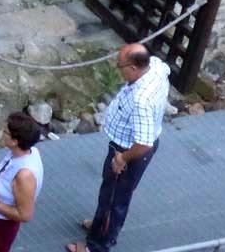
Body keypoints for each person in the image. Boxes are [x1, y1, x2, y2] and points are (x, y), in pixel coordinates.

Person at [67, 43, 170, 252]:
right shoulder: (157, 66)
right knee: (110, 191)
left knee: (115, 197)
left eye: (120, 65)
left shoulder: (142, 100)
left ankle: (97, 245)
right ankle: (98, 225)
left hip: (129, 150)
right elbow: (164, 67)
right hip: (125, 144)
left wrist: (122, 158)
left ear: (133, 68)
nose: (118, 68)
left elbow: (143, 144)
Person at [0, 111, 44, 251]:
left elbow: (25, 215)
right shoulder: (27, 152)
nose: (2, 133)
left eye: (5, 132)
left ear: (15, 141)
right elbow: (8, 176)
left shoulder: (24, 176)